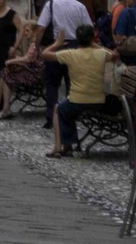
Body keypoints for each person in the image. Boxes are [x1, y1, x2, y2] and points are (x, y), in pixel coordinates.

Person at [42, 24, 115, 158]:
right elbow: (113, 57)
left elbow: (45, 54)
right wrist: (97, 46)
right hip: (99, 100)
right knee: (65, 109)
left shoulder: (71, 54)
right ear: (92, 38)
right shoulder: (102, 54)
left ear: (77, 39)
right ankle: (67, 144)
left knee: (59, 109)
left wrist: (57, 44)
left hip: (77, 100)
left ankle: (60, 146)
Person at [35, 0, 92, 129]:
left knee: (52, 83)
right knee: (72, 82)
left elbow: (40, 27)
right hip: (75, 45)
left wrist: (37, 45)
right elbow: (88, 28)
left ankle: (50, 117)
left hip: (56, 43)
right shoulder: (80, 6)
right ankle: (71, 115)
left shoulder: (51, 4)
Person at [0, 21, 44, 119]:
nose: (25, 33)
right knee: (5, 73)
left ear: (34, 32)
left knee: (6, 76)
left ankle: (3, 106)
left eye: (27, 31)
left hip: (33, 74)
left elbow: (28, 59)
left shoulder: (35, 44)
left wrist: (13, 60)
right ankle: (1, 103)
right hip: (31, 71)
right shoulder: (33, 44)